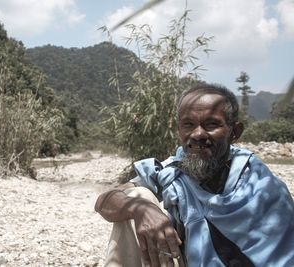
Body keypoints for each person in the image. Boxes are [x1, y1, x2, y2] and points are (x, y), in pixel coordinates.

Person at [95, 84, 294, 267]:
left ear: (235, 132)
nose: (197, 134)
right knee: (137, 198)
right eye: (188, 125)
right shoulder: (172, 170)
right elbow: (105, 200)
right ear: (179, 130)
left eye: (211, 124)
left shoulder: (263, 189)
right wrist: (140, 210)